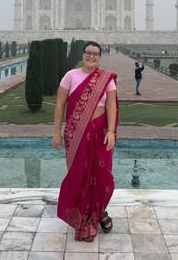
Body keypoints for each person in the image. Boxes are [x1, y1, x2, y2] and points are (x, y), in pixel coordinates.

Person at [53, 41, 118, 242]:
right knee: (79, 175)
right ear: (82, 55)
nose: (91, 57)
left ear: (100, 56)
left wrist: (111, 132)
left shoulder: (106, 79)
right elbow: (60, 104)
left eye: (95, 54)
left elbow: (112, 107)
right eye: (88, 53)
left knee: (101, 175)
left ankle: (98, 212)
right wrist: (56, 131)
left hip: (99, 133)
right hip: (76, 133)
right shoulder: (70, 76)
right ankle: (83, 220)